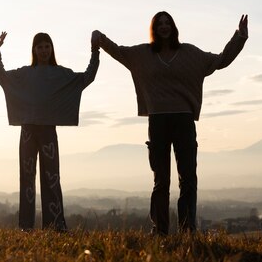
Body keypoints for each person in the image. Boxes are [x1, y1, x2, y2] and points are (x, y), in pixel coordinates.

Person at [92, 12, 248, 234]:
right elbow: (118, 52)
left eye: (168, 23)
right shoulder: (143, 54)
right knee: (161, 181)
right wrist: (100, 37)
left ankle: (187, 230)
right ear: (154, 28)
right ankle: (160, 231)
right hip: (158, 122)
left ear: (173, 27)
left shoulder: (189, 53)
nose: (164, 27)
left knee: (188, 179)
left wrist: (240, 37)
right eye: (159, 23)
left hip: (183, 121)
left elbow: (220, 60)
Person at [0, 31, 100, 231]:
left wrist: (95, 51)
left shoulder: (61, 74)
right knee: (27, 179)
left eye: (47, 46)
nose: (43, 50)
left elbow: (87, 77)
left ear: (51, 49)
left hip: (48, 131)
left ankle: (55, 226)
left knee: (52, 179)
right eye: (40, 47)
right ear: (34, 50)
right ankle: (26, 227)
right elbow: (3, 77)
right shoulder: (25, 74)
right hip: (28, 132)